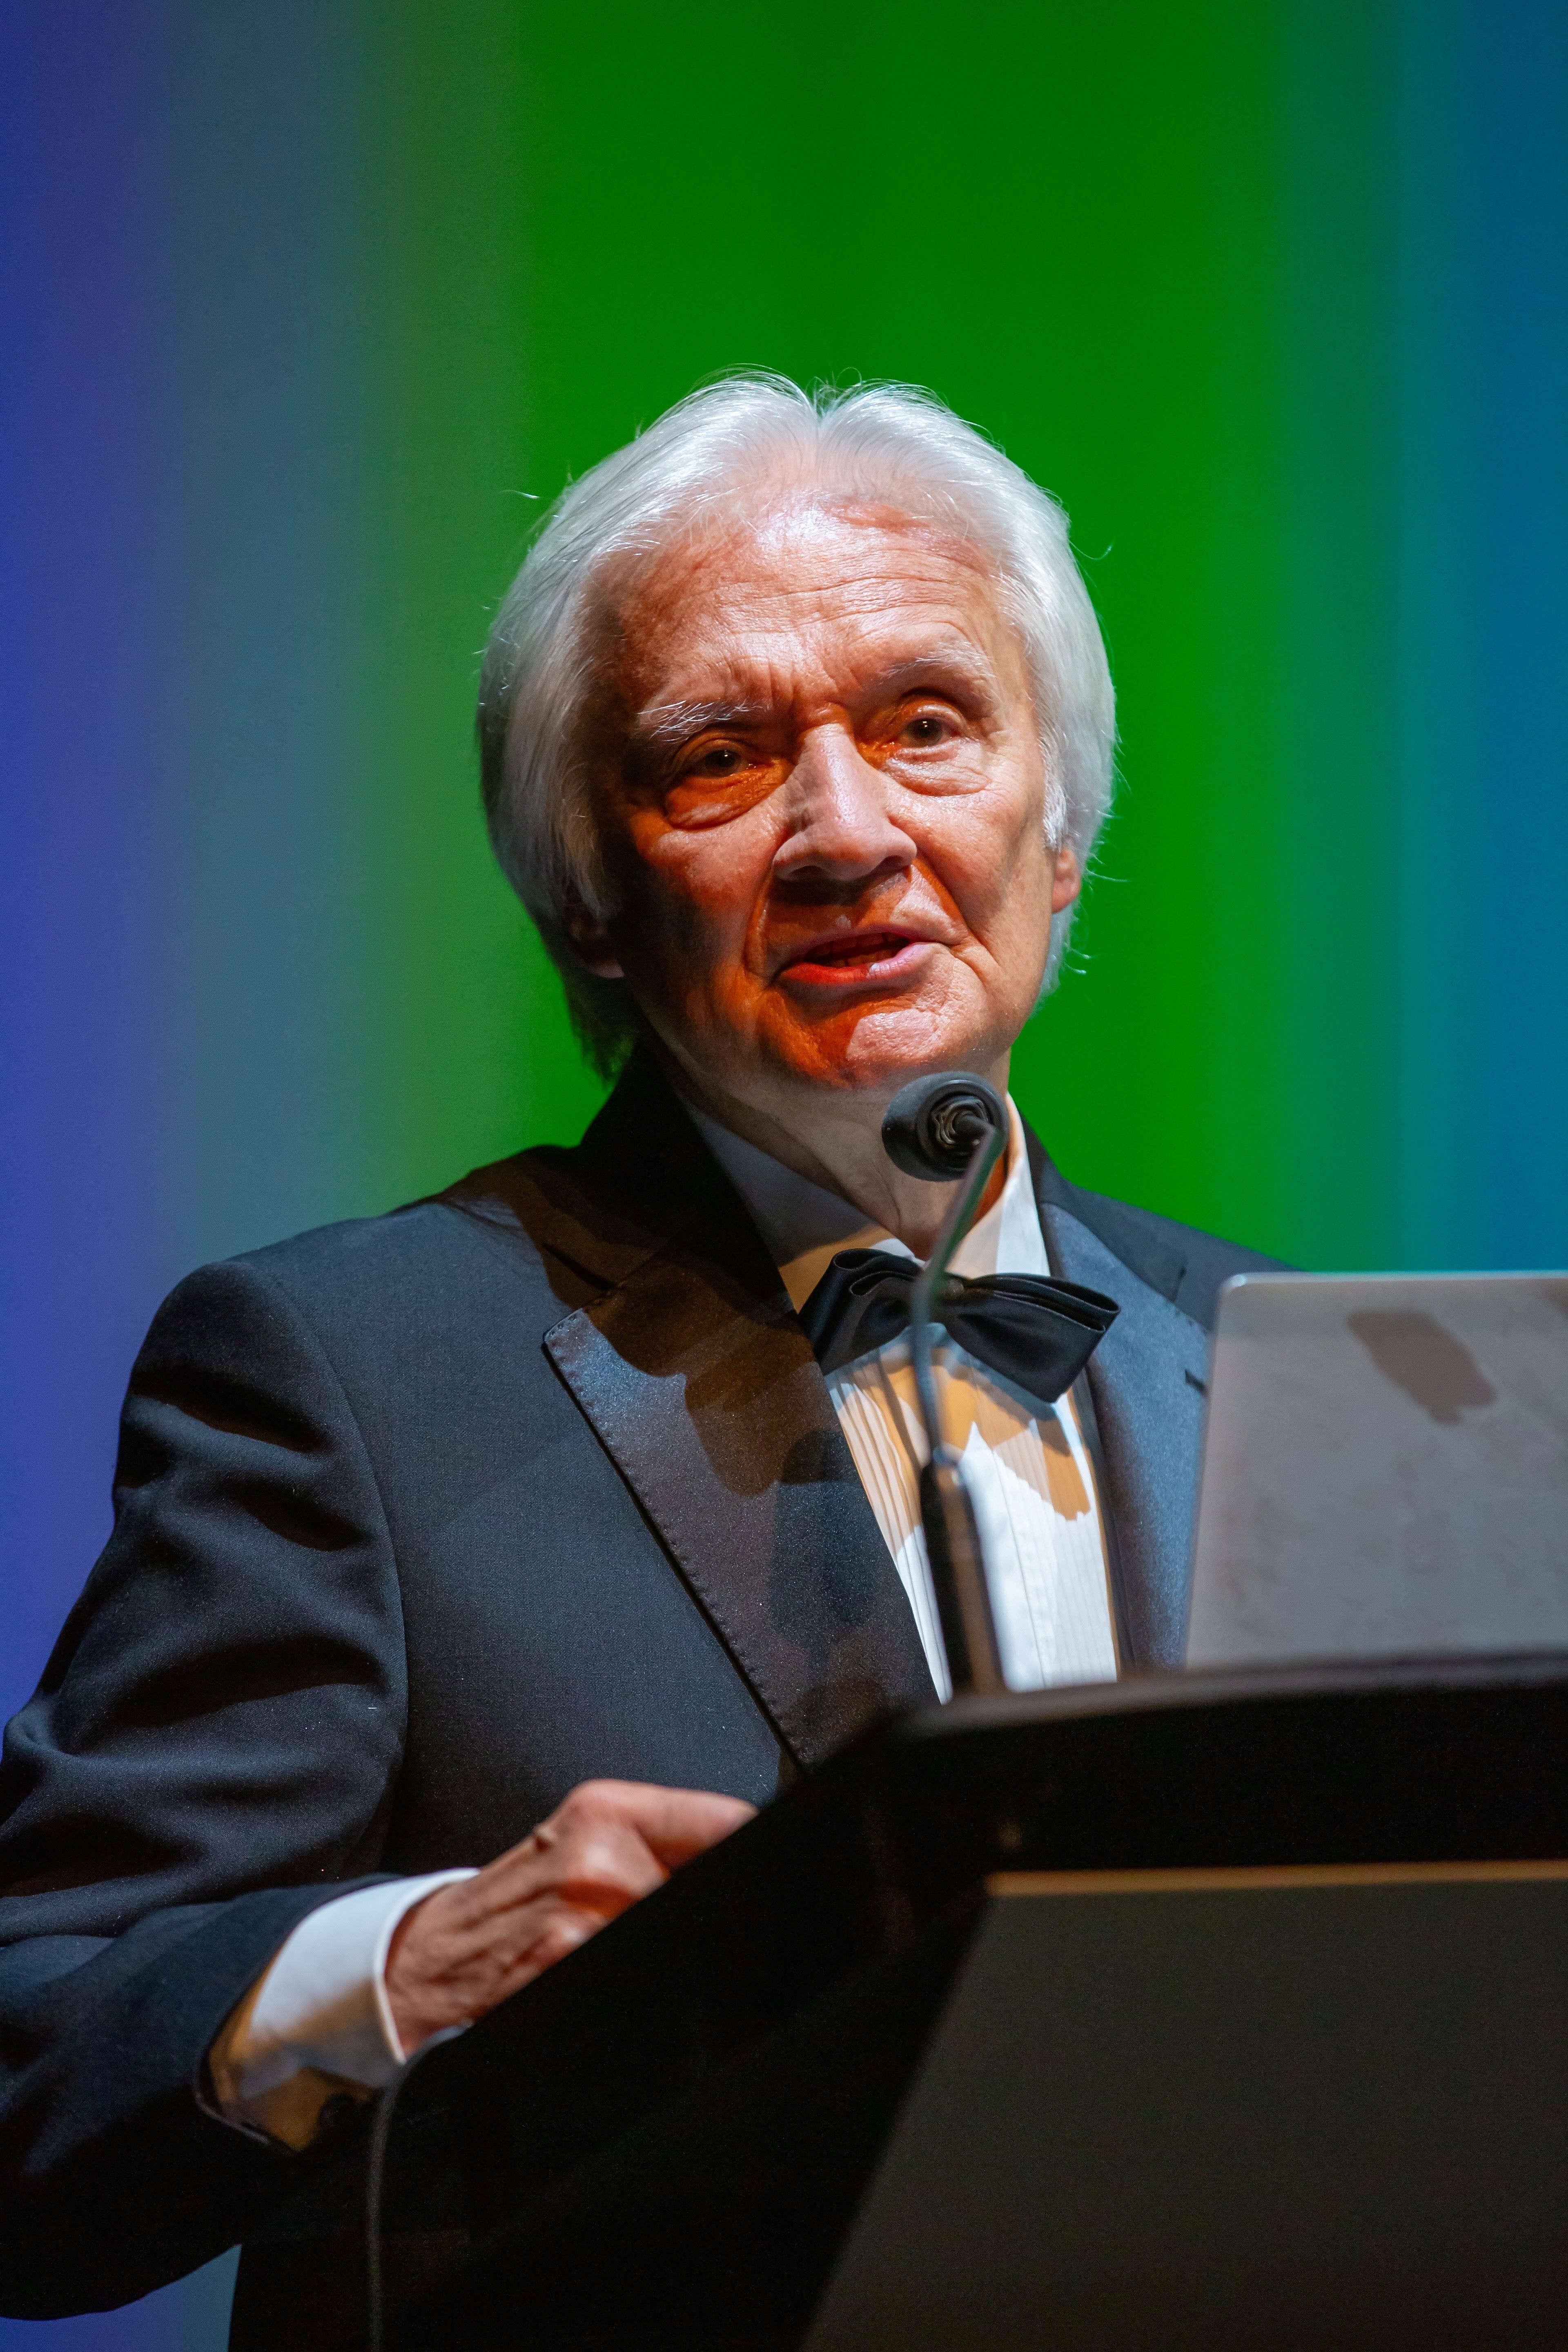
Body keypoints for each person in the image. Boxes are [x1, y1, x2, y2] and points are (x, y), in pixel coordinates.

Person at [0, 375, 1282, 2330]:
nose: (846, 831)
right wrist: (407, 1968)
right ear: (591, 904)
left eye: (927, 724)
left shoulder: (1266, 1356)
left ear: (1064, 833)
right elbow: (36, 2059)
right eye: (720, 759)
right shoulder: (344, 1372)